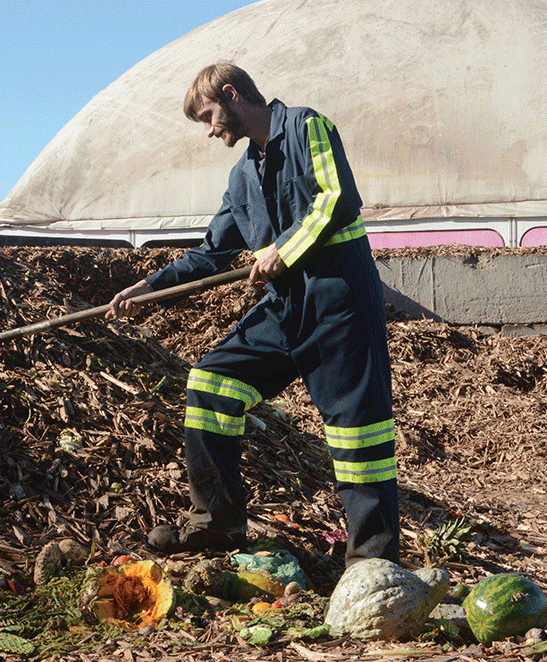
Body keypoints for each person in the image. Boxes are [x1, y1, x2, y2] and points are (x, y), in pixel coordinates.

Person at [106, 62, 399, 564]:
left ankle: (372, 560)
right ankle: (218, 522)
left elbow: (336, 201)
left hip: (339, 299)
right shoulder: (242, 174)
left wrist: (282, 250)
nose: (209, 129)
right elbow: (210, 252)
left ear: (232, 93)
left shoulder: (308, 127)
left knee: (357, 428)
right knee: (210, 384)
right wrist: (148, 288)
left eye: (209, 115)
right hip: (286, 307)